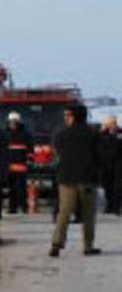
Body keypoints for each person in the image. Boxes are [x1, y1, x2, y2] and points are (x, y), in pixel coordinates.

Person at [50, 105, 101, 257]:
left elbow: (57, 150)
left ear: (74, 116)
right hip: (87, 179)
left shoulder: (61, 133)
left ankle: (56, 243)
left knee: (64, 212)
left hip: (66, 178)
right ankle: (88, 246)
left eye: (68, 115)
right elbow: (100, 156)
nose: (66, 118)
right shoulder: (93, 134)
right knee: (88, 214)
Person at [0, 111, 34, 214]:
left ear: (19, 122)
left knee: (21, 188)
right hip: (9, 165)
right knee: (11, 188)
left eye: (15, 122)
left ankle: (24, 207)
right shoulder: (4, 134)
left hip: (21, 165)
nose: (13, 124)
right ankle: (12, 208)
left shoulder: (26, 134)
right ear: (8, 122)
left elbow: (30, 148)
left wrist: (30, 159)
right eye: (11, 122)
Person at [97, 115, 122, 215]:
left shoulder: (120, 133)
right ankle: (109, 206)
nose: (108, 125)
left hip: (118, 163)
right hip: (106, 163)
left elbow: (117, 146)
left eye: (109, 123)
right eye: (106, 124)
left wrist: (112, 135)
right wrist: (101, 131)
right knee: (107, 185)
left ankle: (116, 207)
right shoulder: (102, 134)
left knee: (118, 185)